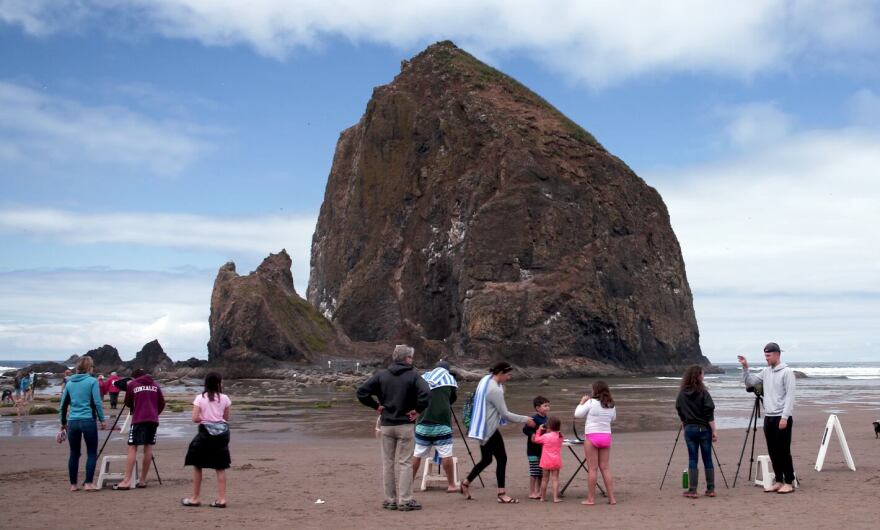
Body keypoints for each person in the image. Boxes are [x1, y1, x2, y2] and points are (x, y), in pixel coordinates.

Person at [357, 345, 430, 511]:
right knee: (405, 463)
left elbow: (362, 392)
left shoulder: (382, 375)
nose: (412, 359)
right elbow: (426, 393)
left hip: (387, 424)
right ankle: (405, 500)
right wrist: (418, 410)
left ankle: (390, 499)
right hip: (405, 424)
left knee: (388, 463)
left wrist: (376, 406)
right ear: (407, 359)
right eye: (411, 357)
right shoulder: (414, 376)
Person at [459, 362, 536, 504]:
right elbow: (505, 414)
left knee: (486, 459)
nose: (510, 377)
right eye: (508, 374)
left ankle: (465, 483)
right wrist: (525, 419)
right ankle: (501, 493)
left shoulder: (486, 380)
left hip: (481, 427)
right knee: (502, 459)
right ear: (500, 373)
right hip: (489, 430)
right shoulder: (495, 390)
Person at [738, 342, 796, 494]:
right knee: (773, 450)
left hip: (781, 417)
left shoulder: (787, 372)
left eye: (768, 355)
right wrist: (745, 367)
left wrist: (784, 417)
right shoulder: (766, 371)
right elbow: (750, 382)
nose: (766, 358)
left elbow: (790, 396)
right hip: (769, 417)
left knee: (783, 450)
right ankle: (778, 480)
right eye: (765, 356)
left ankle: (789, 482)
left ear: (777, 354)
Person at [182, 372, 231, 508]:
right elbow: (226, 417)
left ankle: (195, 498)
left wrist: (205, 419)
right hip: (221, 435)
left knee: (198, 466)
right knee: (220, 467)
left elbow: (194, 418)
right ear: (217, 383)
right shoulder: (225, 398)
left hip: (205, 435)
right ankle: (221, 499)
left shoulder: (200, 398)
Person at [58, 356, 106, 491]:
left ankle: (73, 485)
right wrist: (102, 420)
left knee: (74, 453)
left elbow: (63, 405)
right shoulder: (92, 381)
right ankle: (88, 483)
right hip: (88, 420)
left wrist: (63, 423)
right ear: (89, 368)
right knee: (91, 452)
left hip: (72, 421)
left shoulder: (69, 382)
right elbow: (97, 402)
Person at [113, 368, 165, 490]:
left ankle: (126, 481)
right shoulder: (155, 385)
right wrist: (155, 412)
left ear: (134, 377)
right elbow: (162, 403)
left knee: (132, 446)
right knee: (148, 447)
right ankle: (142, 480)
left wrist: (136, 406)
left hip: (139, 419)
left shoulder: (133, 385)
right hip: (152, 419)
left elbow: (128, 402)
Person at [411, 361, 458, 493]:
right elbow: (452, 400)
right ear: (447, 371)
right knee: (446, 454)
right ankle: (451, 485)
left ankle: (408, 484)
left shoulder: (423, 379)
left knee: (417, 453)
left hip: (422, 423)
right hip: (442, 423)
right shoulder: (449, 380)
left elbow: (416, 398)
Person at [675, 365, 718, 498]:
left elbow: (679, 409)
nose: (703, 377)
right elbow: (709, 412)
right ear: (699, 376)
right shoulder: (703, 393)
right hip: (704, 429)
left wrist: (684, 422)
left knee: (693, 458)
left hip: (689, 428)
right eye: (702, 374)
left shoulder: (682, 394)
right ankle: (710, 489)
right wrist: (714, 430)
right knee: (707, 458)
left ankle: (693, 490)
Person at [574, 380, 617, 505]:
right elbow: (613, 418)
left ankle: (591, 499)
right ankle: (612, 498)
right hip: (606, 436)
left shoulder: (591, 402)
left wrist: (581, 403)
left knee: (592, 469)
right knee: (605, 468)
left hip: (592, 436)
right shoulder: (611, 404)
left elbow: (577, 414)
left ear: (595, 390)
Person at [523, 396, 550, 499]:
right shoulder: (534, 419)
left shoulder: (547, 419)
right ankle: (531, 492)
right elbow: (525, 429)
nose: (547, 408)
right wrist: (532, 434)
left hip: (543, 450)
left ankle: (538, 491)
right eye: (545, 406)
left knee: (541, 473)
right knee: (534, 472)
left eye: (548, 406)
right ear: (538, 408)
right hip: (533, 450)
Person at [532, 416, 564, 502]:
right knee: (555, 479)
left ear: (549, 426)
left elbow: (537, 440)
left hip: (546, 461)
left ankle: (542, 497)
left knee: (544, 479)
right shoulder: (560, 436)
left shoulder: (545, 436)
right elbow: (560, 439)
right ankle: (555, 498)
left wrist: (539, 430)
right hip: (556, 460)